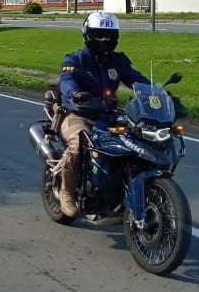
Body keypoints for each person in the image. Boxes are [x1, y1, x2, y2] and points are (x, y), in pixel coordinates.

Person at [55, 11, 149, 218]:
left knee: (137, 143)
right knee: (79, 145)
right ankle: (67, 193)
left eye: (109, 35)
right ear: (88, 34)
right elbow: (67, 79)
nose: (104, 39)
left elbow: (135, 78)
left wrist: (156, 93)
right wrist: (75, 94)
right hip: (78, 114)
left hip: (108, 115)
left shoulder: (118, 60)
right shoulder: (75, 59)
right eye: (98, 34)